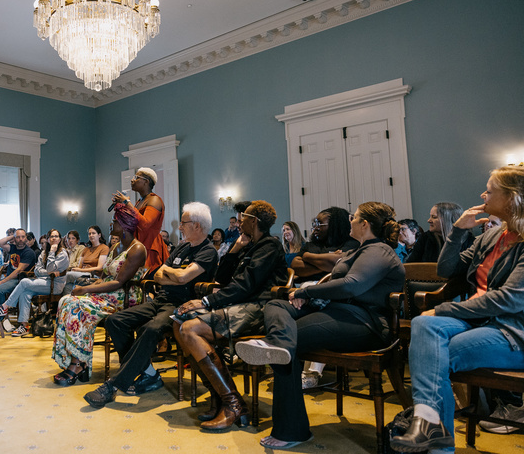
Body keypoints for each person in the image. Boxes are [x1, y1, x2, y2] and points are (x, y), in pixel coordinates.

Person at [236, 201, 404, 450]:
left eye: (354, 217)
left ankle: (291, 430)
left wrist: (310, 291)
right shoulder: (358, 249)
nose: (351, 221)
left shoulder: (379, 250)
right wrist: (307, 294)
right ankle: (278, 344)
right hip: (336, 312)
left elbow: (351, 285)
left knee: (287, 343)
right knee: (276, 306)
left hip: (363, 322)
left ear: (365, 224)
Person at [390, 166, 524, 453]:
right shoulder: (492, 236)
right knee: (422, 326)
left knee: (432, 355)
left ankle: (434, 437)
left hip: (512, 330)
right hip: (480, 322)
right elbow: (446, 269)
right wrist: (458, 232)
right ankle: (429, 425)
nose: (482, 194)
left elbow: (510, 300)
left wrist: (444, 310)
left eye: (489, 190)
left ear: (512, 198)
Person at [83, 202, 218, 409]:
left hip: (182, 306)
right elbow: (159, 274)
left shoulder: (208, 251)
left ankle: (113, 385)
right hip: (160, 300)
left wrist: (174, 275)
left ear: (197, 226)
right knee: (114, 321)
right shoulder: (182, 247)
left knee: (150, 329)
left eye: (183, 223)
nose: (179, 227)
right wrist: (176, 275)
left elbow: (182, 278)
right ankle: (149, 374)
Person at [174, 201, 288, 430]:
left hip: (258, 309)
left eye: (243, 217)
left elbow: (245, 286)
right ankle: (218, 395)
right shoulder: (248, 245)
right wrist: (235, 250)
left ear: (254, 221)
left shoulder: (270, 246)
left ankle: (233, 404)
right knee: (178, 322)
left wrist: (206, 301)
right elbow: (222, 278)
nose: (238, 220)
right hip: (239, 305)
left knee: (189, 329)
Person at [52, 203, 147, 385]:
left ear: (125, 224)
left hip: (123, 297)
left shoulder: (137, 249)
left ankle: (77, 364)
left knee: (75, 305)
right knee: (66, 300)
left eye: (115, 222)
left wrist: (86, 290)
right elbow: (104, 276)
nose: (111, 225)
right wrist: (84, 288)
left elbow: (119, 282)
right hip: (106, 292)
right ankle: (76, 360)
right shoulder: (116, 246)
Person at [0, 229, 69, 337]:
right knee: (25, 293)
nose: (54, 238)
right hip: (43, 282)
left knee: (24, 281)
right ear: (48, 239)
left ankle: (6, 306)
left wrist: (52, 253)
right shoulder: (44, 252)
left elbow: (49, 268)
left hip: (55, 285)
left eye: (56, 236)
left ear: (60, 239)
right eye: (51, 236)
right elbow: (37, 270)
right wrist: (48, 273)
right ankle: (24, 326)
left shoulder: (63, 254)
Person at [111, 167, 169, 276]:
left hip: (149, 245)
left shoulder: (154, 199)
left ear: (146, 182)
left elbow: (145, 224)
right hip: (138, 244)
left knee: (144, 281)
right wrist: (122, 205)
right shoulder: (139, 201)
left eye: (136, 177)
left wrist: (127, 203)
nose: (132, 180)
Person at [406, 202, 473, 263]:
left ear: (448, 219)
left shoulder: (468, 240)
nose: (429, 220)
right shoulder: (425, 238)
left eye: (434, 217)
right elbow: (411, 265)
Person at [0, 228, 36, 307]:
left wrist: (2, 281)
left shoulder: (29, 252)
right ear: (14, 238)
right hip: (9, 278)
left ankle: (0, 316)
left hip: (20, 280)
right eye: (18, 237)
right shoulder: (13, 248)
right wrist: (12, 236)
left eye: (23, 237)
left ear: (26, 238)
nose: (20, 239)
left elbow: (18, 271)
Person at [64, 226, 110, 292]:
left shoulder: (104, 248)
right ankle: (68, 301)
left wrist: (81, 270)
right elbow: (79, 266)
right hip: (81, 273)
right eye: (89, 234)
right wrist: (77, 269)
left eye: (93, 233)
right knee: (68, 286)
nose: (91, 235)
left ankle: (54, 295)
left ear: (99, 235)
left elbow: (99, 267)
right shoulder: (86, 249)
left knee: (68, 275)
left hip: (93, 274)